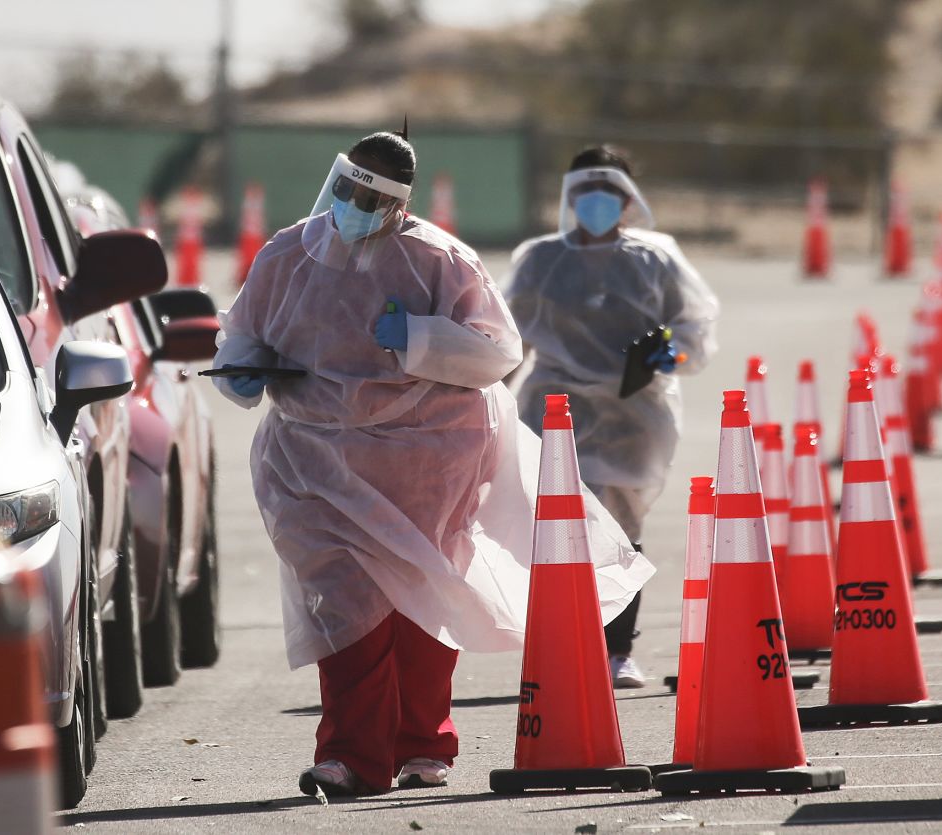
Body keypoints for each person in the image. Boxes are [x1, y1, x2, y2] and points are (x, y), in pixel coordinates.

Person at [212, 131, 655, 797]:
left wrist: (422, 340)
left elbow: (497, 353)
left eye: (373, 195)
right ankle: (349, 757)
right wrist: (238, 370)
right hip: (312, 463)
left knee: (422, 601)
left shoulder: (438, 258)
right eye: (347, 185)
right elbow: (243, 331)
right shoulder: (287, 254)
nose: (354, 202)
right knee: (346, 603)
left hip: (426, 457)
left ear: (400, 203)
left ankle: (422, 743)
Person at [504, 145, 720, 688]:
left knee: (621, 532)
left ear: (630, 199)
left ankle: (617, 650)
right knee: (558, 533)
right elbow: (510, 340)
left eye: (610, 192)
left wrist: (675, 351)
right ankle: (564, 649)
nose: (597, 202)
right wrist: (482, 400)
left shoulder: (656, 258)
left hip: (633, 415)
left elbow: (694, 326)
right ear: (568, 197)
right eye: (585, 191)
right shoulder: (540, 259)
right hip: (555, 412)